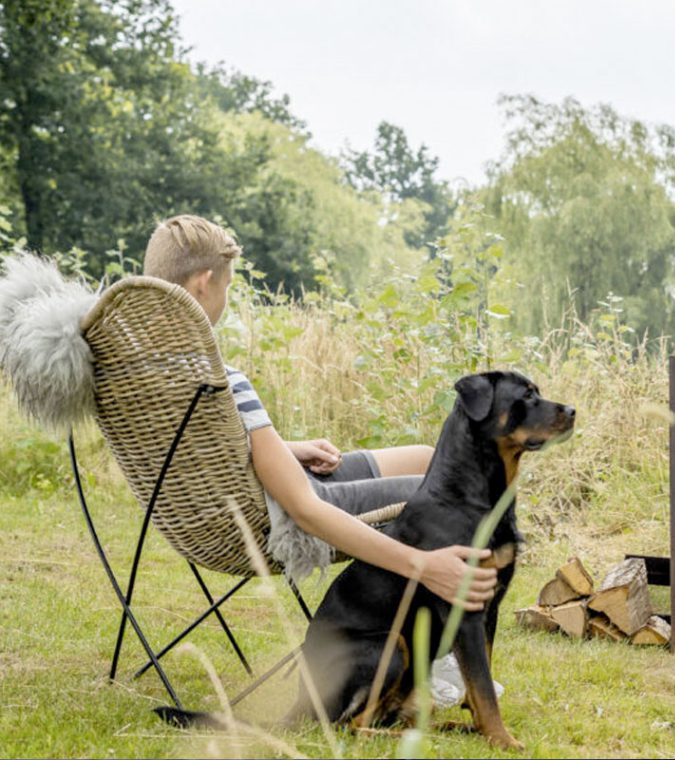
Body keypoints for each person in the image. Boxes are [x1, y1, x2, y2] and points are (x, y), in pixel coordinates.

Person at [141, 214, 497, 612]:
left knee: (425, 458)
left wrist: (282, 448)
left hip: (206, 518)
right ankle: (436, 650)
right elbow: (305, 510)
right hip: (268, 520)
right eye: (226, 287)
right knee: (454, 491)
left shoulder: (142, 368)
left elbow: (203, 452)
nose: (225, 299)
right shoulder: (221, 381)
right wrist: (424, 565)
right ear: (204, 283)